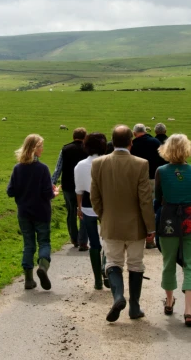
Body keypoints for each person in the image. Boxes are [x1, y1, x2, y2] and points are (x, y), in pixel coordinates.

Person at [91, 125, 155, 322]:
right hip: (135, 225)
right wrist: (150, 227)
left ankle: (118, 296)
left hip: (111, 223)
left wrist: (104, 216)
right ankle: (134, 307)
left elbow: (95, 197)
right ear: (131, 142)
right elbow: (145, 199)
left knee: (113, 263)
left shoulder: (98, 164)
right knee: (136, 264)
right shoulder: (141, 164)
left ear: (112, 140)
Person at [155, 133, 191, 327]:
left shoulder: (161, 171)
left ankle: (169, 302)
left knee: (168, 263)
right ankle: (188, 311)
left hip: (168, 221)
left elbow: (158, 198)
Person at [7, 134, 59, 290]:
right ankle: (43, 267)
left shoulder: (17, 168)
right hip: (42, 212)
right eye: (41, 146)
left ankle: (28, 280)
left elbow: (10, 191)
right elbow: (47, 193)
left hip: (24, 212)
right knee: (44, 241)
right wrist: (54, 193)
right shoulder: (43, 169)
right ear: (35, 149)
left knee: (28, 244)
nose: (43, 149)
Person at [74, 132, 107, 290]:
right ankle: (105, 268)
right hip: (107, 206)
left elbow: (79, 190)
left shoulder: (80, 165)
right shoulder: (108, 163)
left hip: (87, 205)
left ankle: (97, 281)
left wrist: (79, 207)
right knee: (108, 240)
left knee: (94, 243)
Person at [52, 128, 89, 250]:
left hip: (68, 185)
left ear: (73, 137)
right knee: (84, 211)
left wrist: (52, 182)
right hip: (84, 186)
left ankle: (74, 238)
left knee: (71, 212)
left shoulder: (65, 149)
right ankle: (83, 241)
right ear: (85, 137)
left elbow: (58, 168)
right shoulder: (87, 149)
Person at [130, 123, 163, 249]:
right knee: (152, 209)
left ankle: (137, 238)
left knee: (138, 208)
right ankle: (150, 240)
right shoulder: (155, 142)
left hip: (137, 181)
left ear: (134, 133)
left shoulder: (133, 145)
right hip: (153, 179)